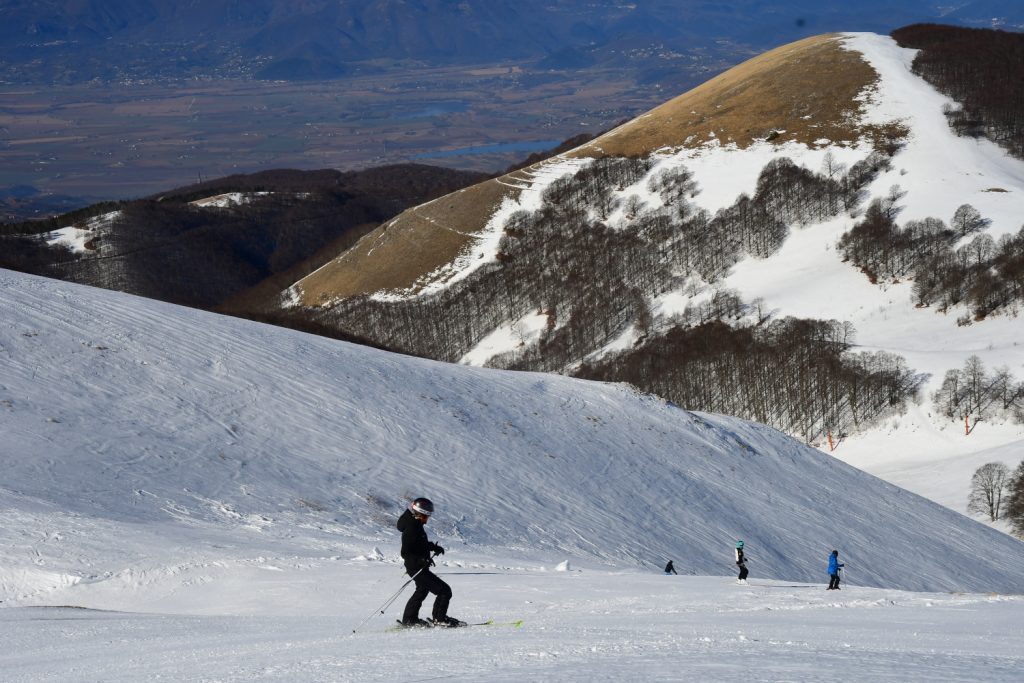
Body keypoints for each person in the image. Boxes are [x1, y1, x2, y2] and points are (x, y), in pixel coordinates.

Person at [396, 497, 464, 627]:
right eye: (426, 516)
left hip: (416, 566)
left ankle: (410, 619)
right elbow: (407, 551)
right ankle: (439, 619)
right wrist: (421, 560)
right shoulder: (412, 527)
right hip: (416, 567)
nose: (427, 519)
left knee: (422, 589)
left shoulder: (414, 524)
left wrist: (432, 547)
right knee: (444, 591)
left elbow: (419, 544)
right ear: (419, 514)